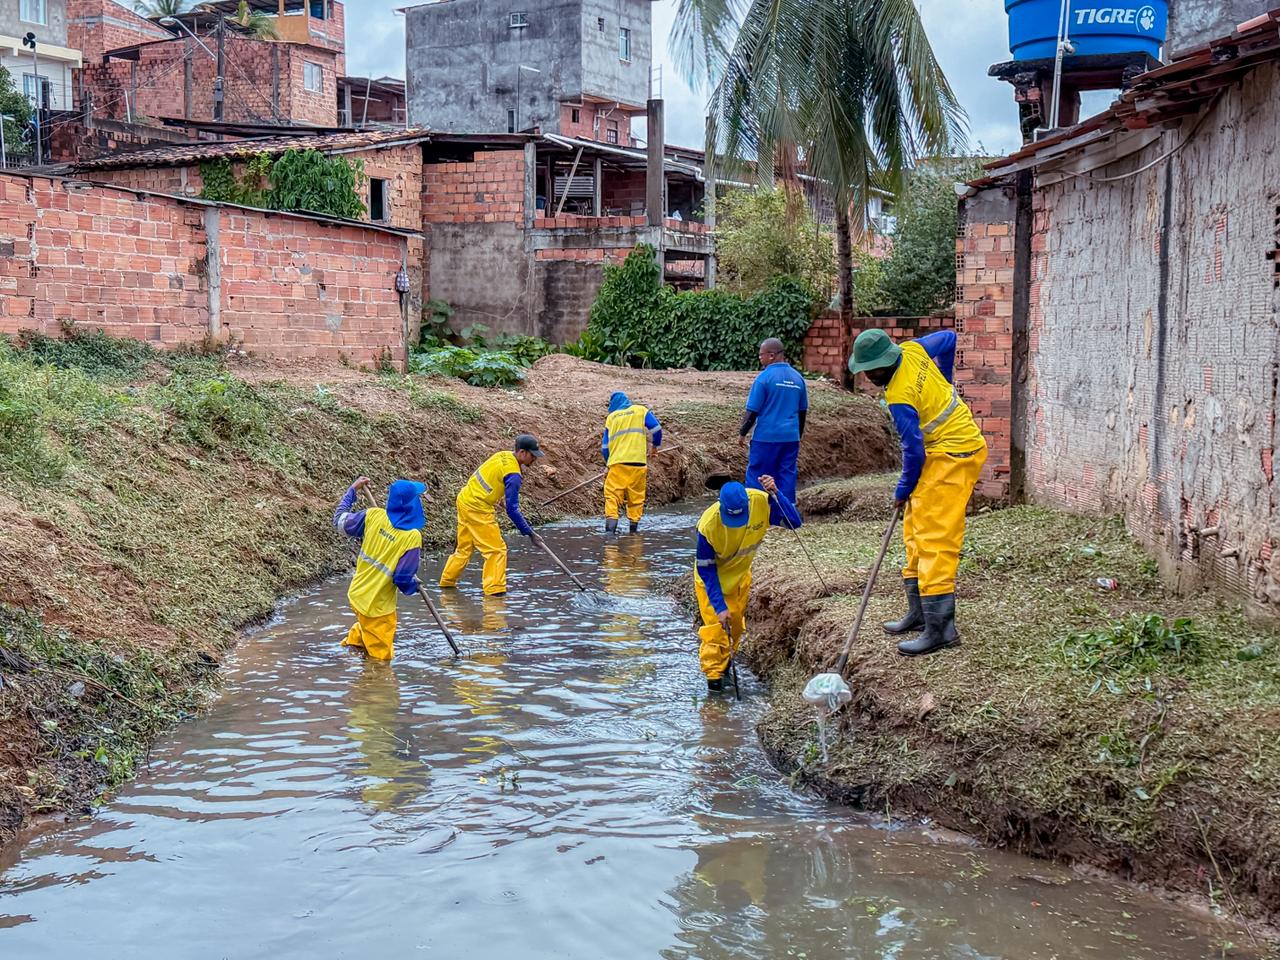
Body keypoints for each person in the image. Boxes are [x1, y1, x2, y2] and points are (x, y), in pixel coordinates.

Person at [848, 328, 987, 656]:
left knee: (934, 536)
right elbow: (950, 339)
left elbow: (914, 451)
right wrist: (945, 378)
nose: (866, 377)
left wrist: (902, 488)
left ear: (882, 366)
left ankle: (941, 629)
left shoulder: (898, 397)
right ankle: (919, 613)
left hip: (955, 452)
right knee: (913, 527)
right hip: (941, 449)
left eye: (869, 371)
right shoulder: (912, 349)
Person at [694, 474, 802, 692]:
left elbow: (795, 523)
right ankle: (714, 685)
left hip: (740, 578)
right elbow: (706, 570)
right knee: (716, 631)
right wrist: (719, 606)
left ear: (747, 503)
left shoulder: (760, 501)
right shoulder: (708, 525)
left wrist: (777, 493)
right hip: (713, 582)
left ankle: (725, 669)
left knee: (734, 629)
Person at [439, 433, 545, 596]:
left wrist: (497, 497)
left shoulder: (502, 455)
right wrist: (530, 533)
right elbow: (512, 510)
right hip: (477, 508)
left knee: (464, 548)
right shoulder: (514, 474)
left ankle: (446, 584)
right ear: (522, 453)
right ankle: (495, 594)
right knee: (496, 550)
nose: (534, 460)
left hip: (465, 499)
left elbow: (490, 479)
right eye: (533, 455)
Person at [333, 477, 426, 661]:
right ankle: (371, 684)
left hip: (358, 594)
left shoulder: (374, 516)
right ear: (411, 505)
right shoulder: (412, 537)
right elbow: (402, 578)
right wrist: (413, 586)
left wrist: (352, 491)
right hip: (378, 607)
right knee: (381, 662)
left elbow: (339, 522)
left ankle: (351, 650)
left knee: (365, 626)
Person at [739, 337, 808, 506]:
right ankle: (786, 513)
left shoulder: (764, 379)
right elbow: (802, 413)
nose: (759, 358)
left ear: (771, 355)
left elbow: (752, 411)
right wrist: (797, 435)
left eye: (761, 355)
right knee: (786, 474)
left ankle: (756, 510)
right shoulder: (798, 379)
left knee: (758, 474)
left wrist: (742, 433)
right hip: (790, 438)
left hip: (766, 438)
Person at [601, 390, 663, 534]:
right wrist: (654, 447)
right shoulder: (640, 410)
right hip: (639, 465)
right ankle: (633, 533)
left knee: (612, 498)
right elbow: (657, 429)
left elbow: (605, 447)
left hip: (617, 466)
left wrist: (607, 465)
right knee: (636, 499)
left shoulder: (611, 418)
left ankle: (610, 537)